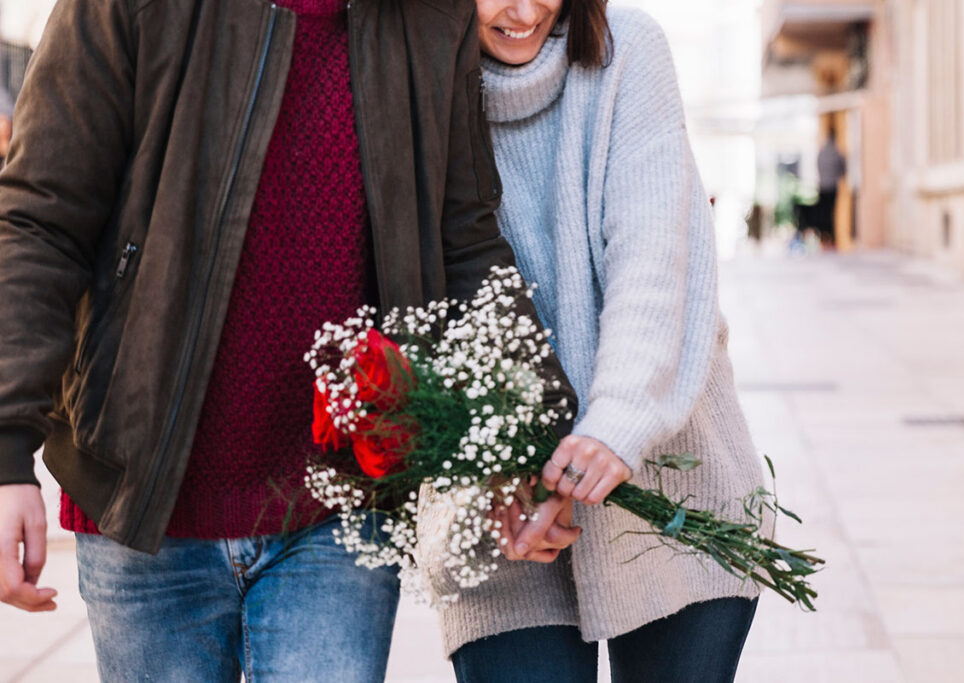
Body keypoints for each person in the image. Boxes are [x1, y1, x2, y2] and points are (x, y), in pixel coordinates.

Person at [0, 0, 574, 680]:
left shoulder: (429, 16)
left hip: (340, 511)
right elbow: (41, 220)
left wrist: (529, 441)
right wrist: (6, 452)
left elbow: (466, 240)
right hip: (140, 499)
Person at [420, 1, 769, 681]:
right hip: (502, 522)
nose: (522, 10)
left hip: (670, 488)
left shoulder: (628, 50)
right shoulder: (410, 82)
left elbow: (652, 264)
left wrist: (611, 429)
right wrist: (496, 477)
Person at [816, 126, 846, 248]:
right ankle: (832, 238)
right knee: (831, 212)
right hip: (832, 186)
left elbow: (817, 167)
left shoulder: (822, 152)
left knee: (823, 212)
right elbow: (843, 168)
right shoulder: (836, 152)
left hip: (822, 185)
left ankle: (823, 236)